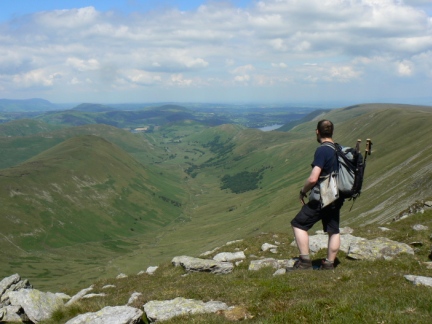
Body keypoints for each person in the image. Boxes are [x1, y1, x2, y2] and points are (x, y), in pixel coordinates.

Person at [290, 119, 344, 270]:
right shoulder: (338, 149)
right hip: (336, 196)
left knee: (298, 224)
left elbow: (314, 178)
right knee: (333, 230)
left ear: (317, 132)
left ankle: (305, 262)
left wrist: (303, 191)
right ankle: (329, 264)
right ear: (332, 132)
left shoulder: (323, 150)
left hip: (322, 197)